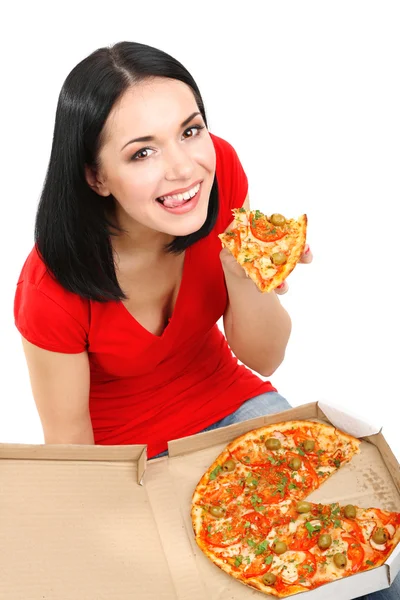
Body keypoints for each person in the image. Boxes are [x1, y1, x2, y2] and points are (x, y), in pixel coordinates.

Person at [13, 42, 398, 600]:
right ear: (97, 177)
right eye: (142, 153)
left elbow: (263, 356)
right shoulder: (51, 286)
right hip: (128, 460)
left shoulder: (219, 176)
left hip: (232, 405)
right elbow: (71, 445)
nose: (184, 168)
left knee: (370, 569)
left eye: (190, 131)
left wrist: (245, 277)